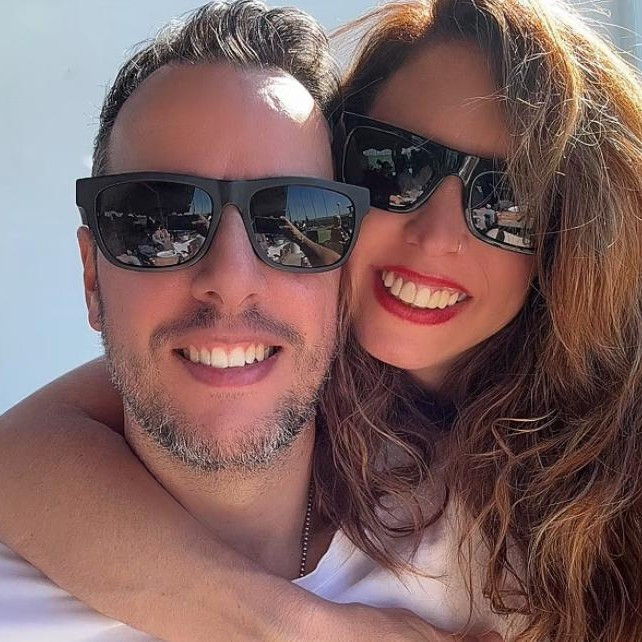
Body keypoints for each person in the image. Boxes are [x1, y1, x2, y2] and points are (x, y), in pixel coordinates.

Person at [2, 0, 641, 640]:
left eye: (508, 201)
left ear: (571, 246)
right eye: (395, 167)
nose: (437, 236)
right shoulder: (330, 393)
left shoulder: (551, 526)